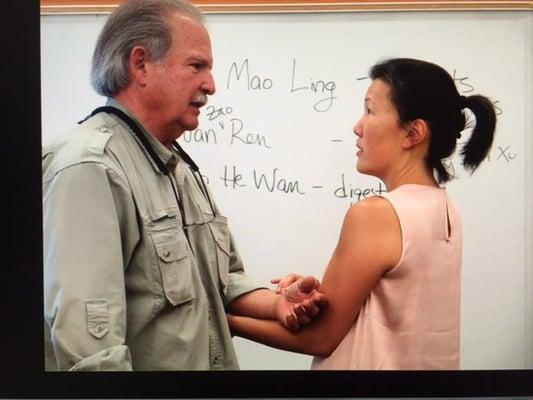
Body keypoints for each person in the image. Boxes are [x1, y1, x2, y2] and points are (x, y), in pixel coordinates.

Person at [42, 0, 326, 371]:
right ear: (140, 64)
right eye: (197, 66)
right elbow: (92, 352)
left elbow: (223, 281)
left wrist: (276, 303)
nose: (211, 85)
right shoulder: (91, 168)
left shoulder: (178, 167)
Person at [228, 58, 496, 370]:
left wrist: (223, 321)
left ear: (413, 133)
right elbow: (391, 306)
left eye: (369, 111)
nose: (357, 127)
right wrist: (320, 297)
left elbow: (320, 338)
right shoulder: (445, 207)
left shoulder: (377, 214)